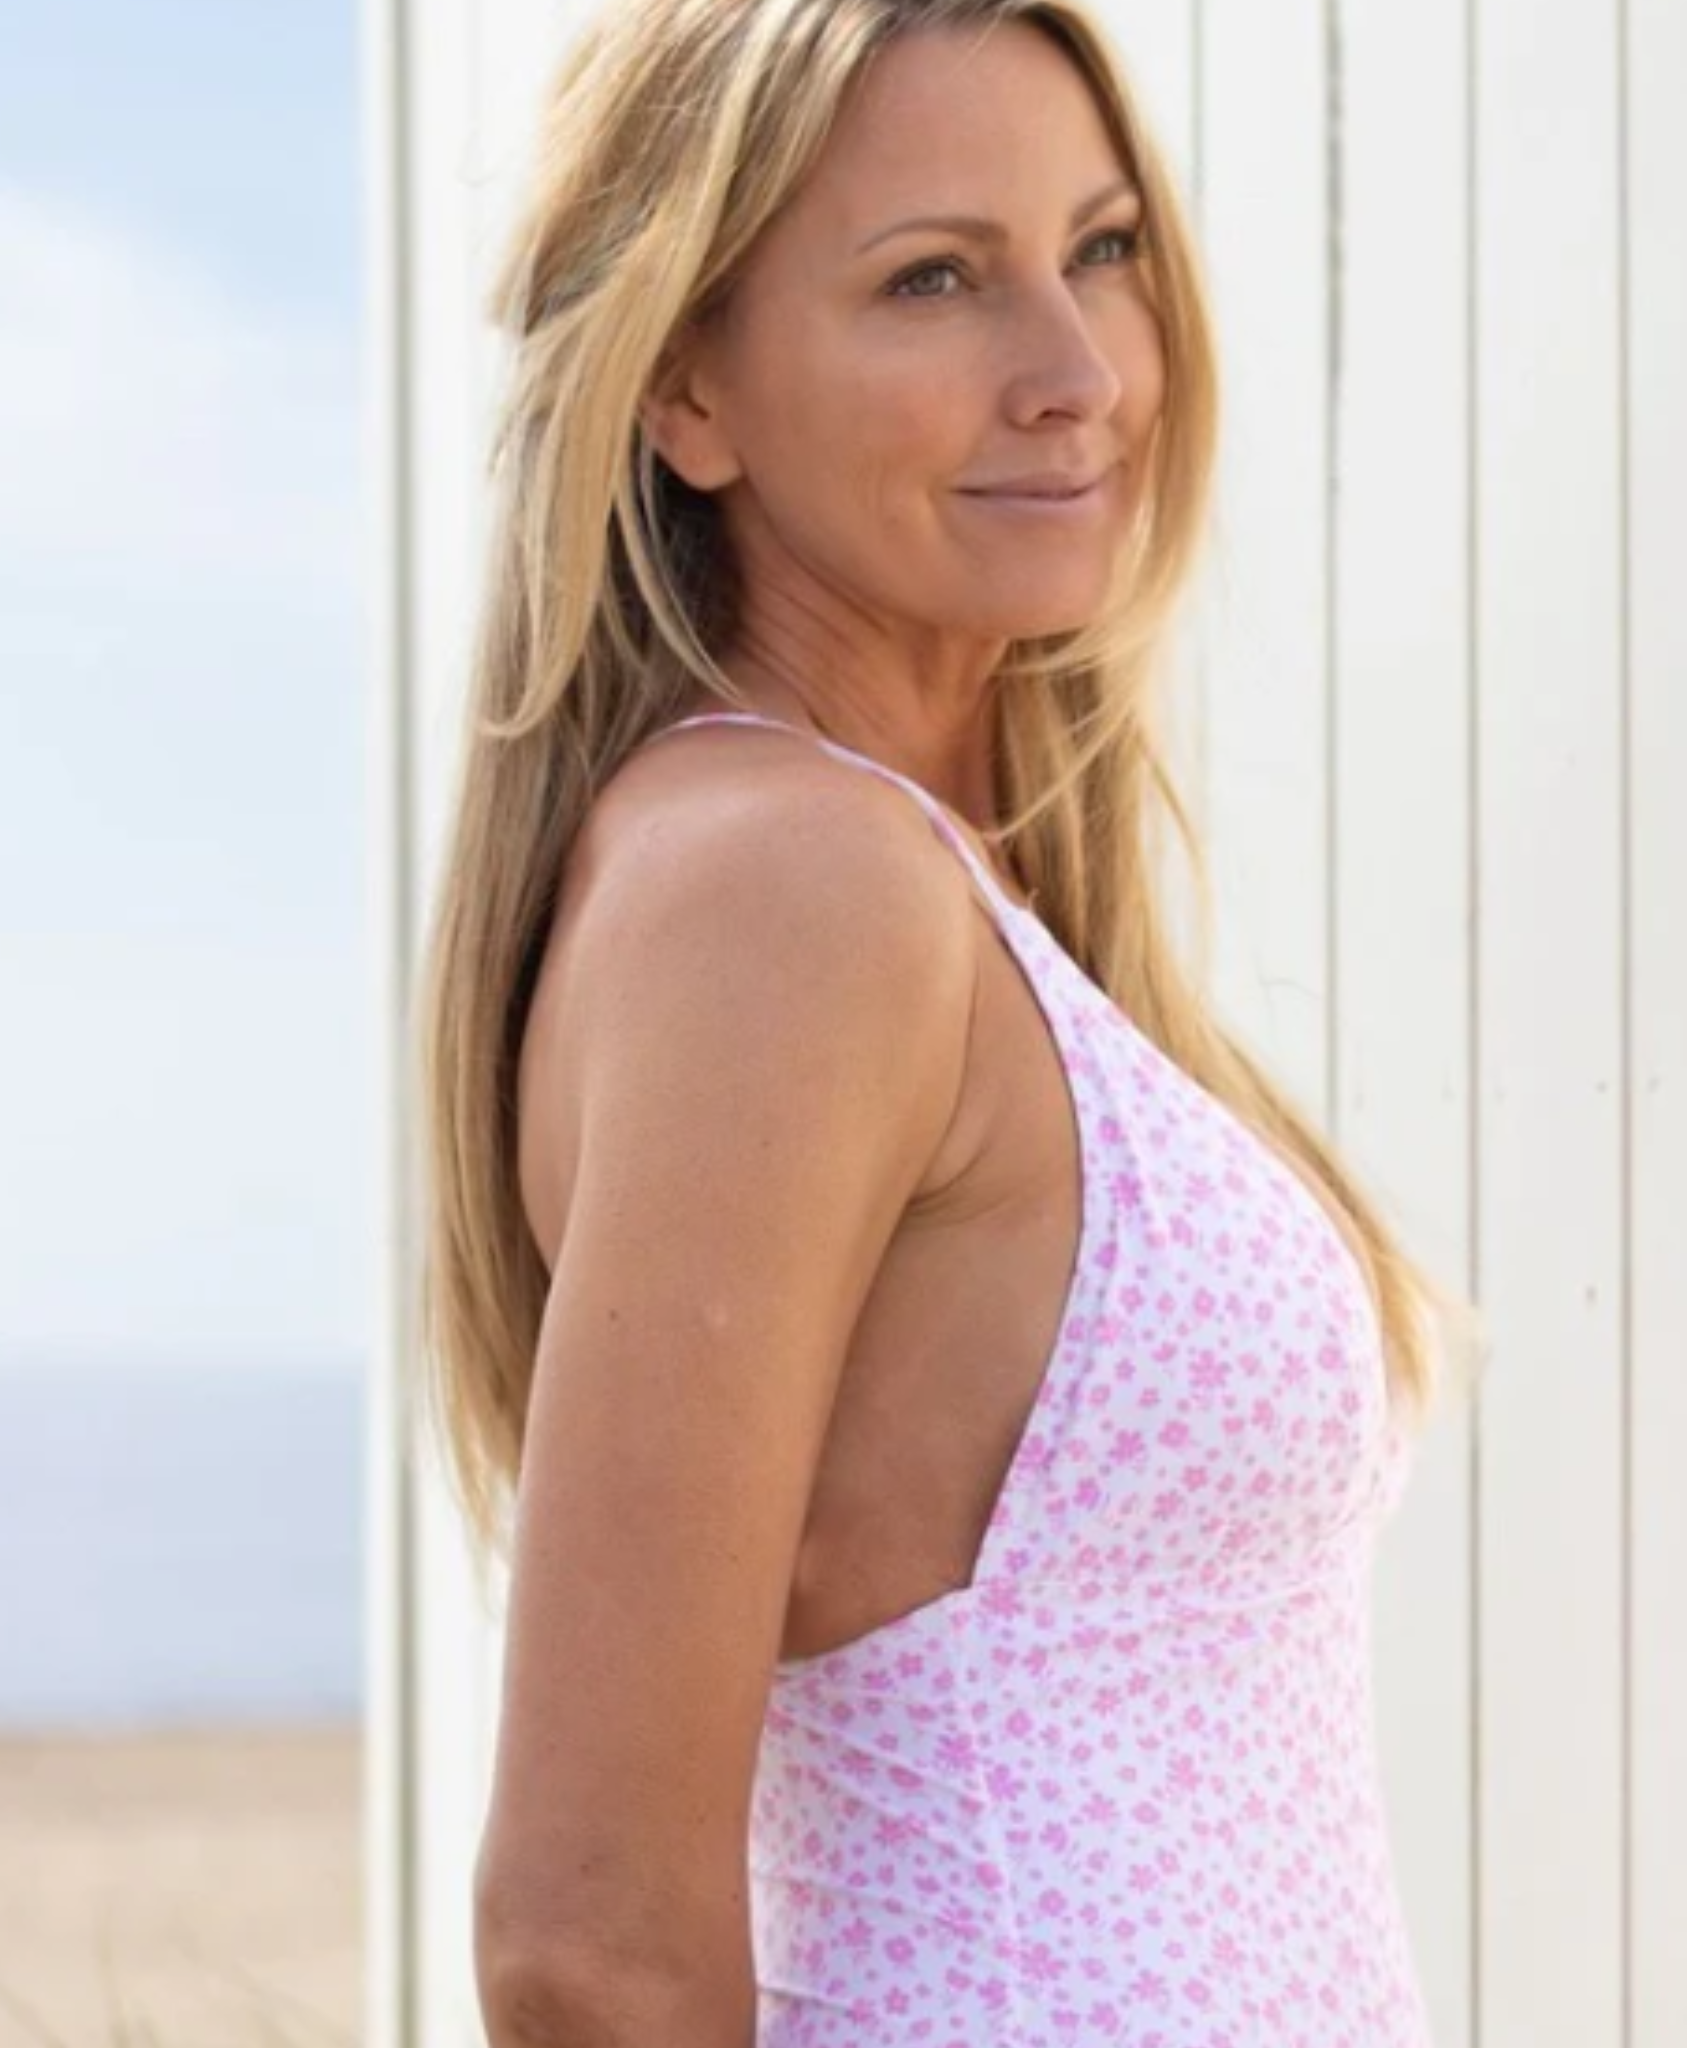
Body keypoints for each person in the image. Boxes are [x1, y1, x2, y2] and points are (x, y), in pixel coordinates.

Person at [415, 1, 1483, 2041]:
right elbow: (584, 1933)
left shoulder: (923, 887)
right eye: (933, 279)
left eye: (1102, 250)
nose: (1078, 373)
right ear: (687, 387)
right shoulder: (789, 894)